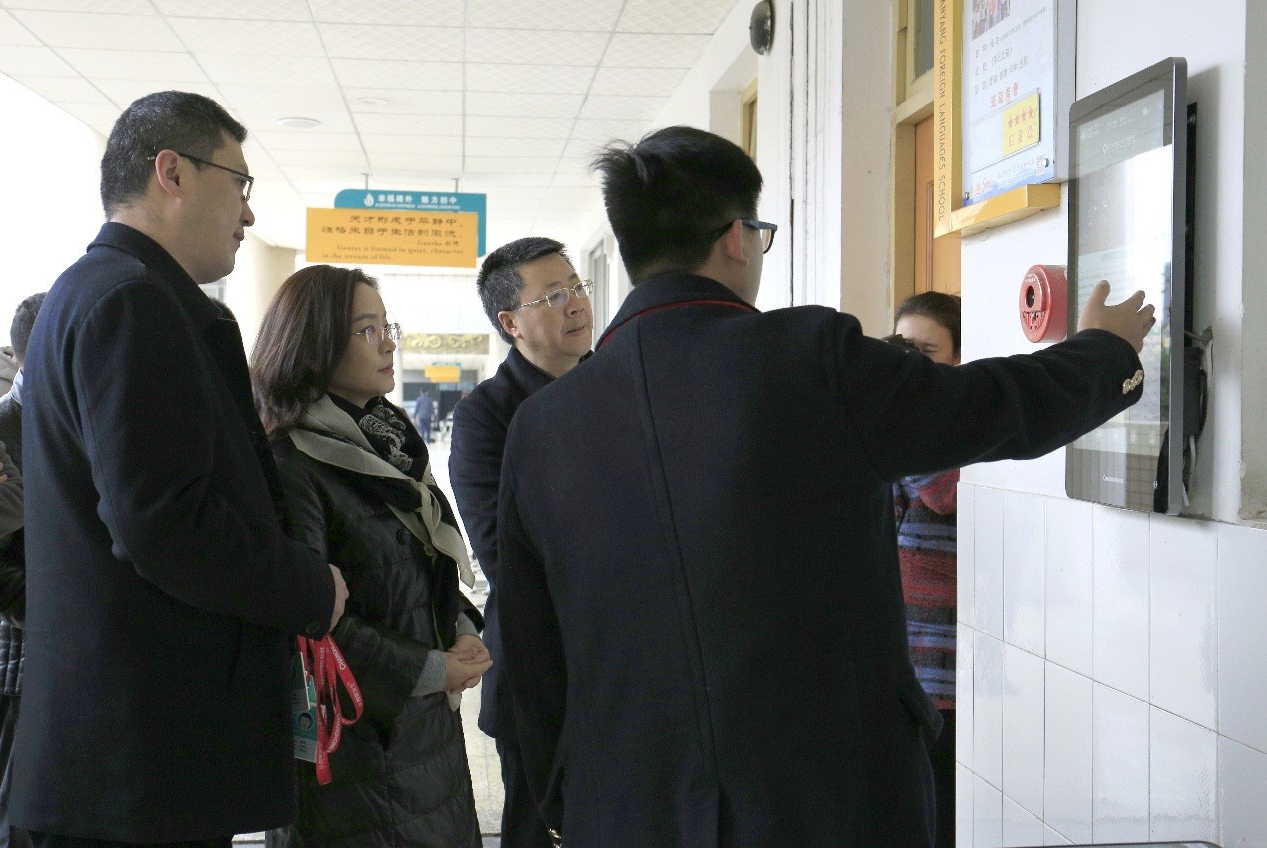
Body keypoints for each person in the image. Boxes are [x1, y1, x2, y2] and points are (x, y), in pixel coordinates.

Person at [495, 125, 1155, 848]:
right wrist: (1106, 351)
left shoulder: (540, 427)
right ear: (737, 238)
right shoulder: (809, 359)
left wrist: (567, 799)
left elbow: (530, 648)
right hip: (828, 798)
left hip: (627, 806)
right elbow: (992, 407)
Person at [12, 91, 347, 848]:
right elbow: (166, 524)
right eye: (240, 183)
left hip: (124, 761)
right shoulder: (133, 303)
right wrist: (309, 589)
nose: (248, 212)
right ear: (172, 173)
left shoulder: (96, 292)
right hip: (139, 765)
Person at [252, 265, 487, 848]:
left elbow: (423, 563)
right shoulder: (290, 463)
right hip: (356, 753)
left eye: (387, 327)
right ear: (315, 344)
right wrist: (432, 669)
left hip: (425, 737)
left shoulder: (391, 442)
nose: (387, 343)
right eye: (366, 330)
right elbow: (307, 618)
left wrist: (461, 625)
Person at [448, 237, 593, 848]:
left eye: (577, 286)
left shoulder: (622, 389)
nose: (575, 303)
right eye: (553, 295)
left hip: (631, 667)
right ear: (510, 323)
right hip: (542, 676)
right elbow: (504, 555)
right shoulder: (486, 417)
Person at [890, 291, 963, 848]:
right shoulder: (898, 428)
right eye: (903, 348)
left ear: (960, 359)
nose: (911, 363)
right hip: (913, 667)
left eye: (928, 350)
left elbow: (951, 492)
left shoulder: (953, 431)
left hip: (952, 669)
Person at [0, 292, 43, 848]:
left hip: (65, 655)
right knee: (16, 823)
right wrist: (54, 607)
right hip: (19, 659)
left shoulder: (75, 419)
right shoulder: (5, 427)